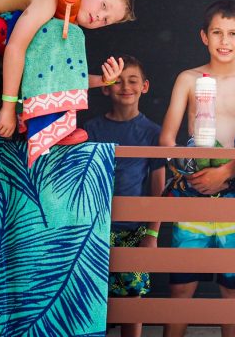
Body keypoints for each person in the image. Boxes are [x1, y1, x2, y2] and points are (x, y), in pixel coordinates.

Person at [159, 0, 235, 337]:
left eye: (233, 33)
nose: (225, 40)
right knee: (181, 284)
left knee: (234, 287)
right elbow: (167, 137)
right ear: (203, 36)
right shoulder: (188, 79)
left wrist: (225, 172)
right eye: (217, 32)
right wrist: (189, 168)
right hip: (193, 183)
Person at [0, 0, 133, 165]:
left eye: (106, 20)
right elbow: (15, 48)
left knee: (61, 38)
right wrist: (7, 108)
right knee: (59, 34)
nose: (100, 17)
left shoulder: (62, 22)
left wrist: (104, 80)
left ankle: (52, 125)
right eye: (103, 6)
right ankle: (47, 124)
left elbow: (56, 75)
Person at [84, 55, 164, 337]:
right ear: (105, 88)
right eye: (117, 81)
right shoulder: (91, 130)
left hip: (134, 230)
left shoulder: (154, 133)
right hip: (94, 230)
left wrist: (151, 234)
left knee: (132, 300)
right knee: (92, 300)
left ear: (145, 86)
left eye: (133, 81)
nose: (125, 87)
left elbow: (158, 188)